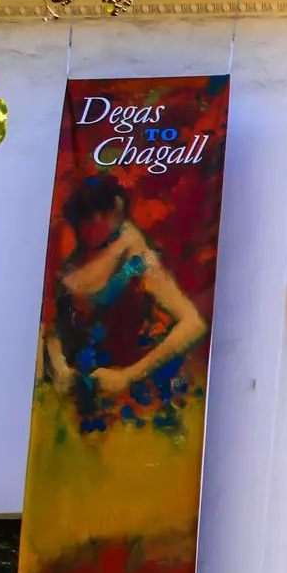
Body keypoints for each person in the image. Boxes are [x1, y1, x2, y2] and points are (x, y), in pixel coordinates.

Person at [43, 173, 207, 435]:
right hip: (85, 401)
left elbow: (193, 324)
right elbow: (51, 327)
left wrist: (128, 375)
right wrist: (59, 366)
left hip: (139, 403)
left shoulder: (135, 255)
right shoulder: (72, 260)